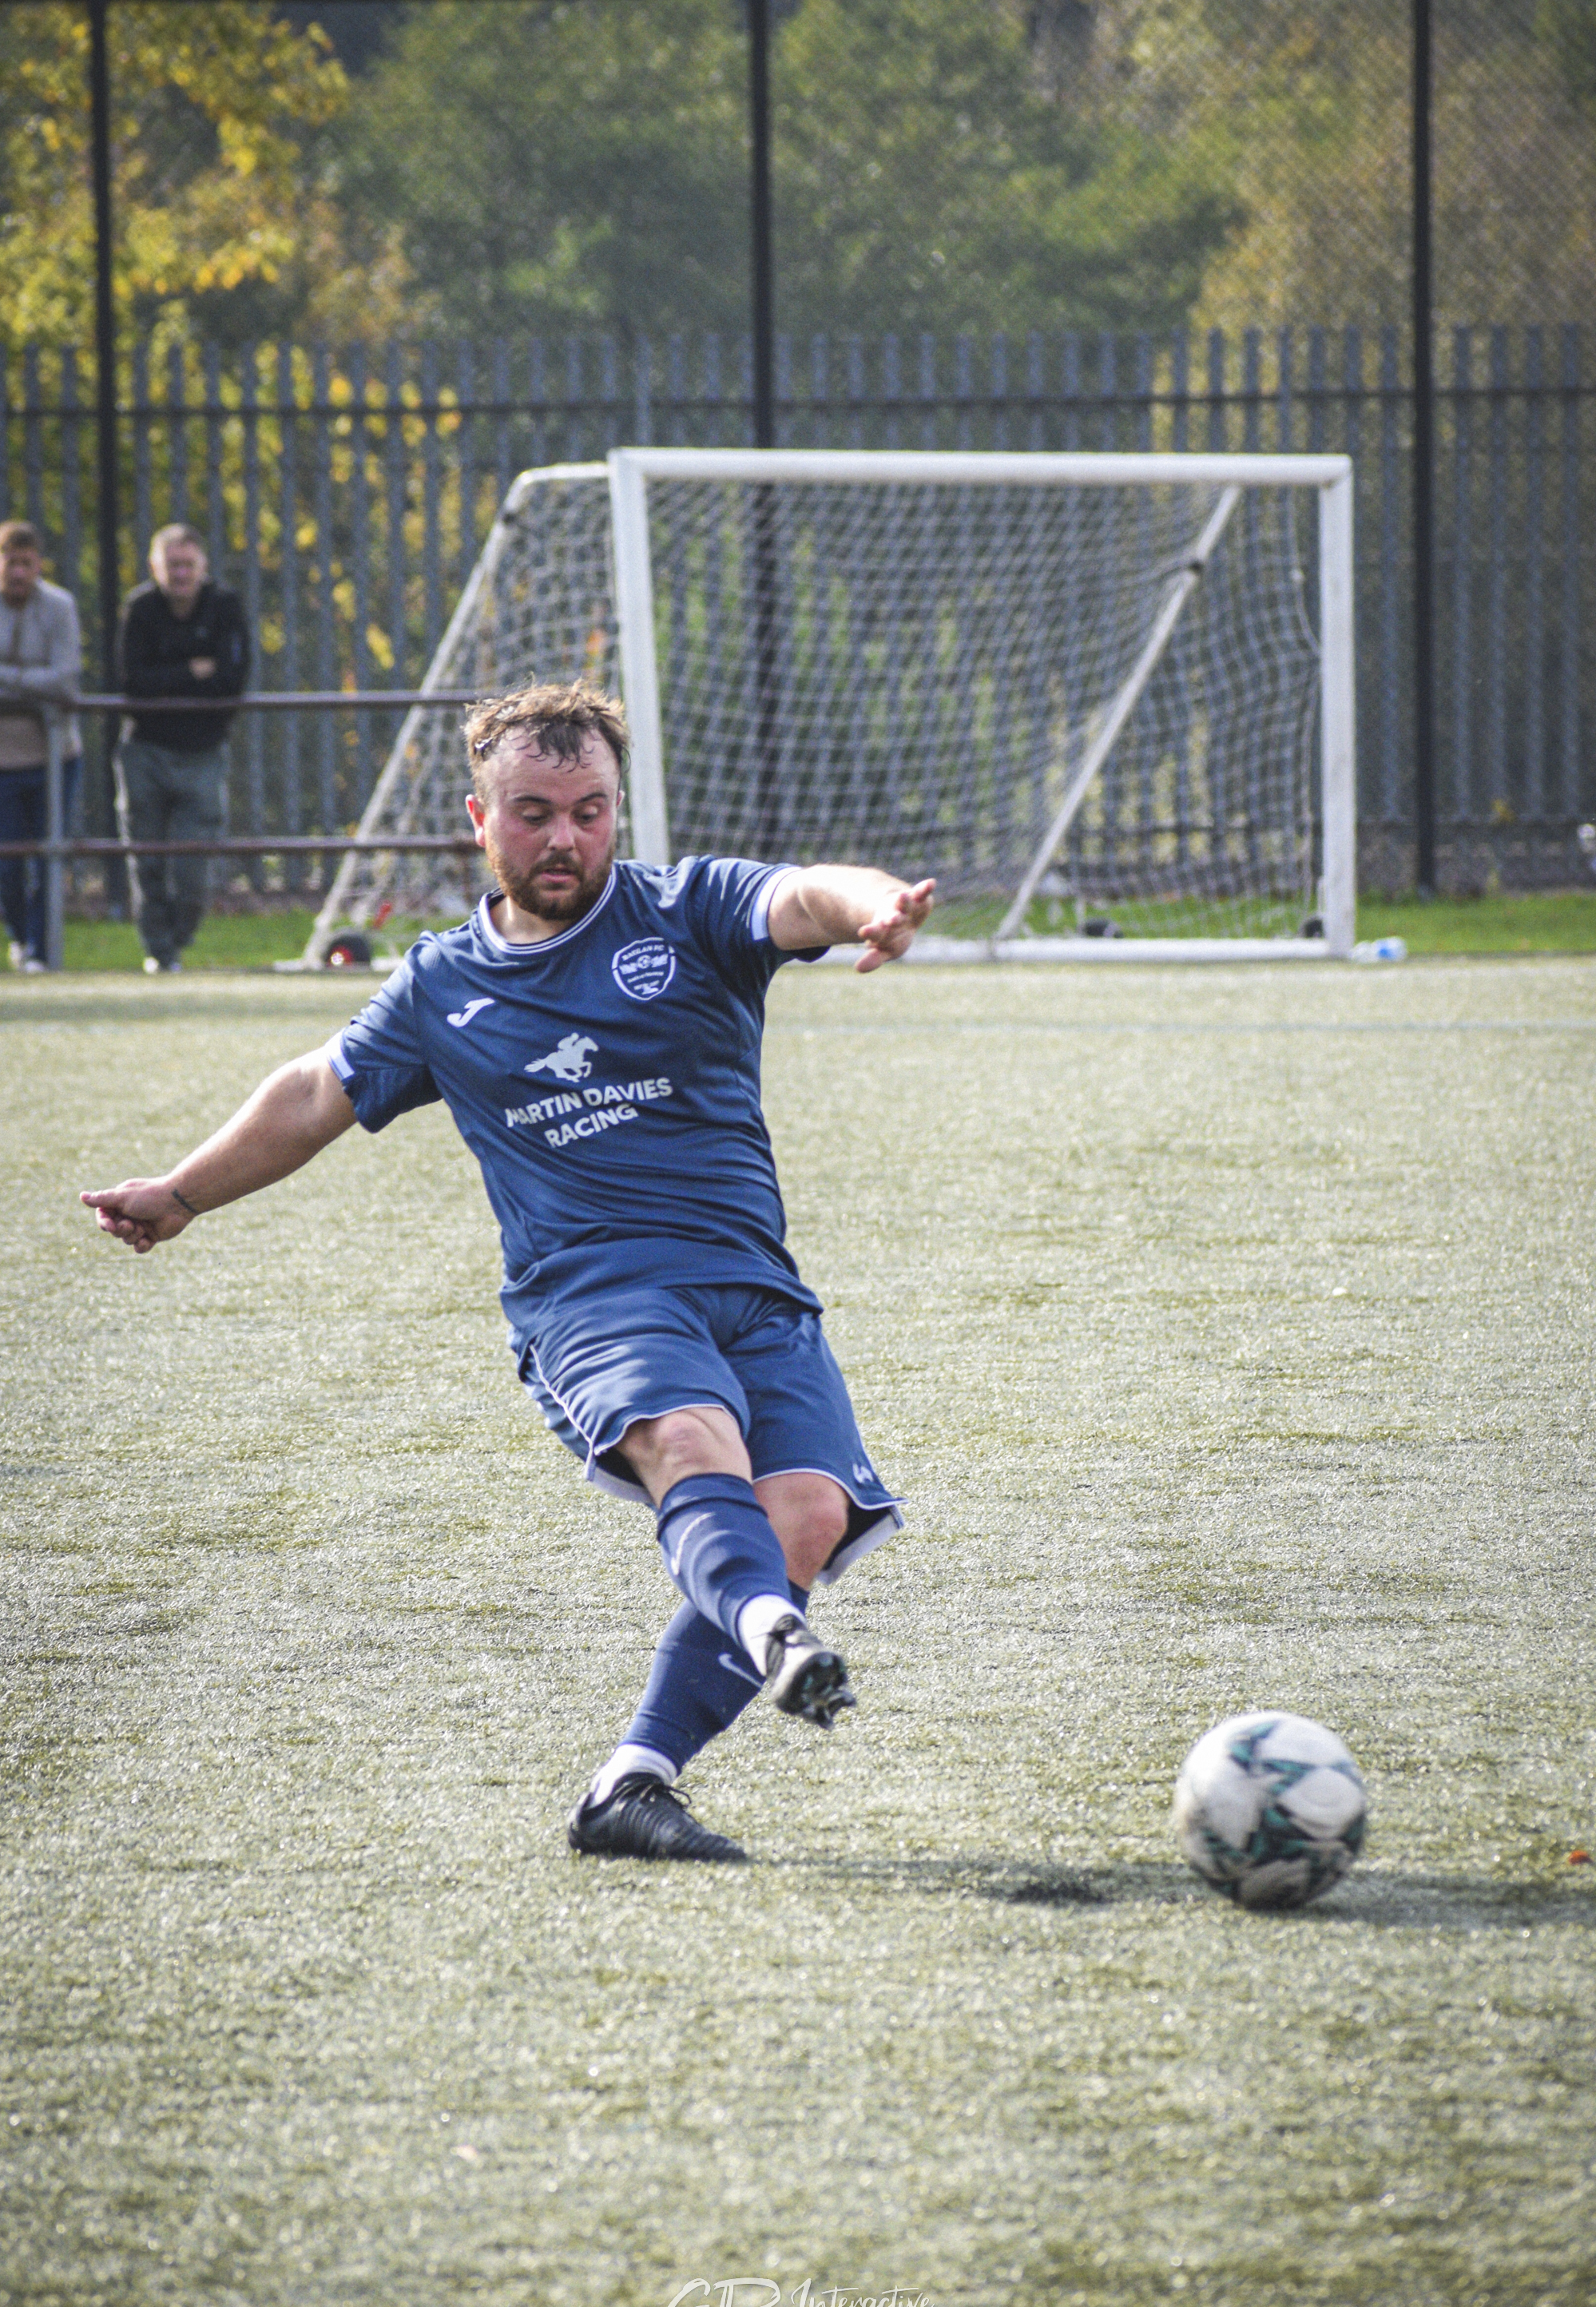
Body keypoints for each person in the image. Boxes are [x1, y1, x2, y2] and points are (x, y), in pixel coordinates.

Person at [81, 681, 936, 1864]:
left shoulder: (685, 911)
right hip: (593, 1300)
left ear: (616, 811)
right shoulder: (442, 988)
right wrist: (180, 1194)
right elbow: (312, 1092)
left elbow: (800, 895)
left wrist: (875, 905)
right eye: (532, 812)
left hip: (753, 1288)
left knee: (800, 1515)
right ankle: (773, 1634)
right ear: (478, 823)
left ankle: (629, 1784)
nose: (564, 838)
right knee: (696, 1450)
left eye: (589, 810)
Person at [116, 522, 250, 974]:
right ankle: (159, 952)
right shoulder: (140, 608)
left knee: (195, 862)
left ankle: (179, 934)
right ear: (155, 567)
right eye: (171, 564)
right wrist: (193, 672)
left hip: (203, 751)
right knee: (145, 856)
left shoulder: (226, 606)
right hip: (145, 749)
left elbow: (233, 679)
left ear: (203, 566)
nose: (180, 573)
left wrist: (168, 679)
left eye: (187, 564)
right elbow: (133, 682)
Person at [0, 522, 81, 973]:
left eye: (27, 563)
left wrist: (7, 679)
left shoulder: (60, 606)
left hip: (55, 756)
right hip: (3, 761)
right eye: (10, 561)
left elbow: (66, 680)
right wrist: (34, 688)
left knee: (51, 859)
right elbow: (47, 684)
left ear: (39, 566)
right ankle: (20, 936)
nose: (17, 572)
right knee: (8, 866)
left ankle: (42, 952)